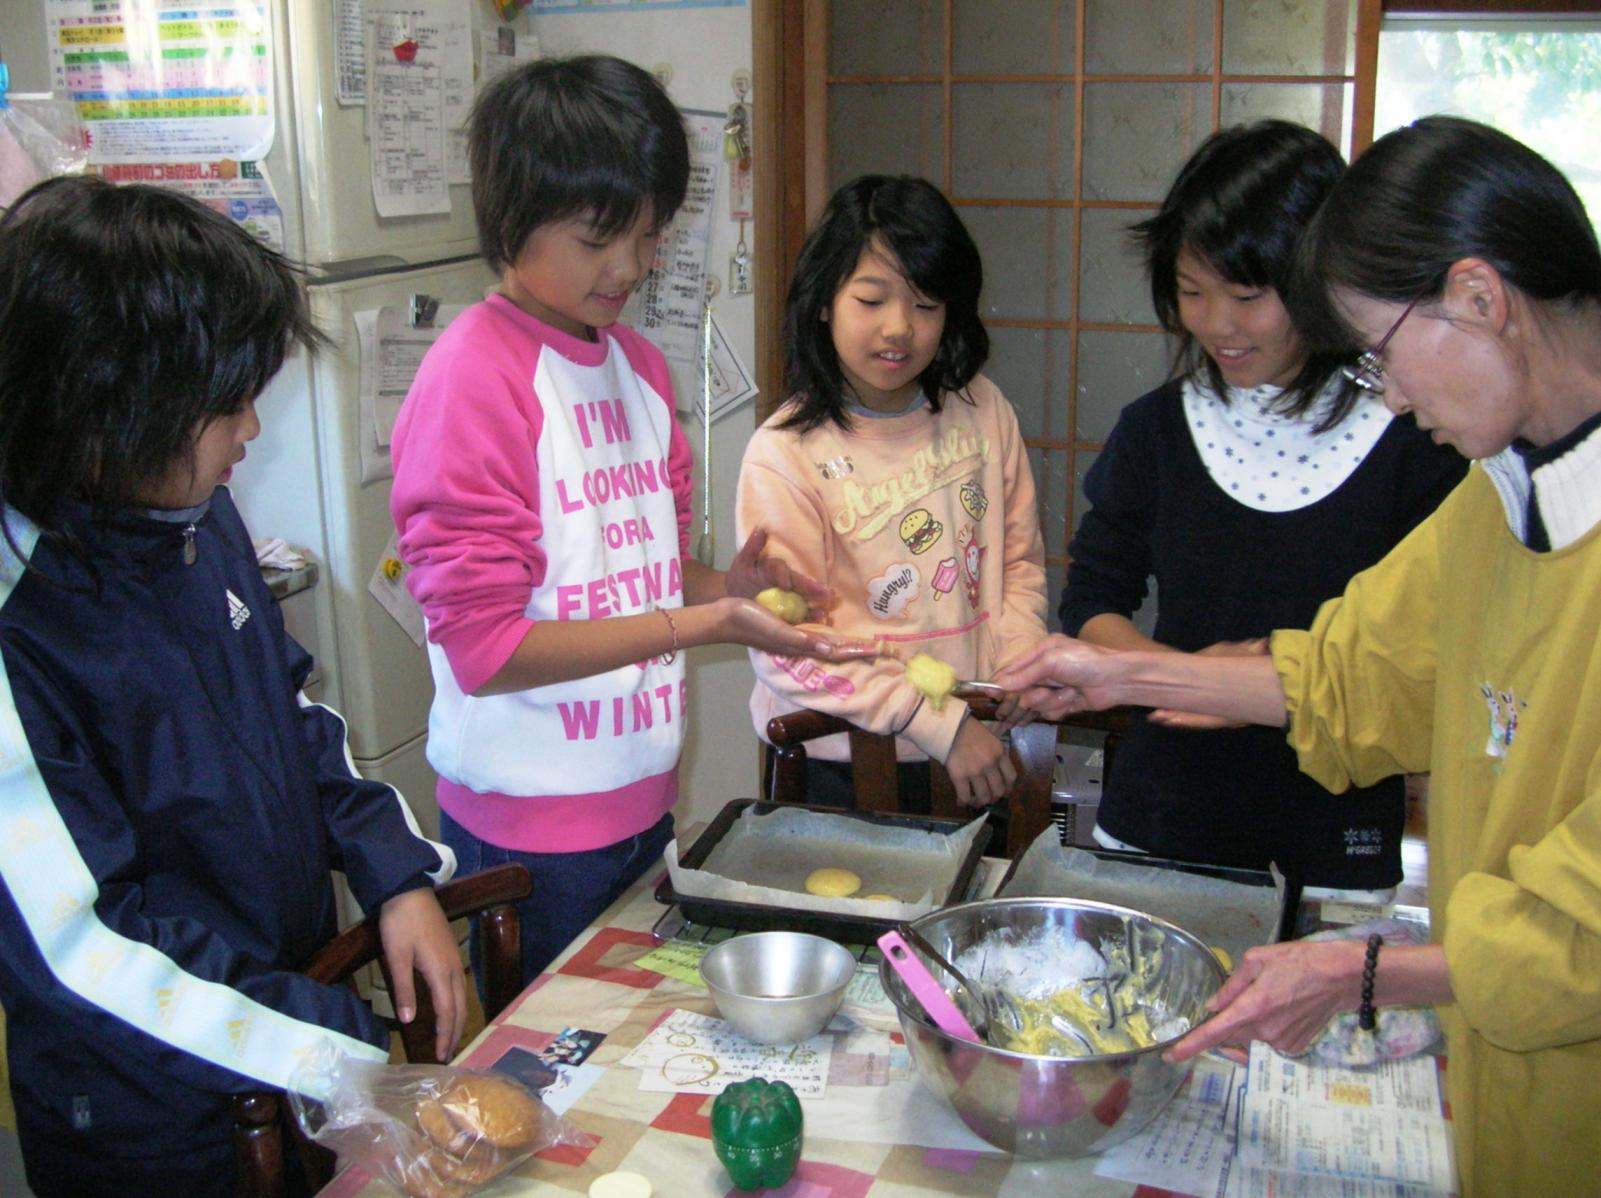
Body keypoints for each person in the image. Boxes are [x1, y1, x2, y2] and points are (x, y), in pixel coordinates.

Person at [997, 116, 1601, 1197]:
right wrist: (1122, 673)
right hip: (1503, 1071)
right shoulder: (1493, 498)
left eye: (1381, 353)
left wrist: (1367, 967)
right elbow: (1342, 677)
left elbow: (1582, 926)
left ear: (1476, 297)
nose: (1395, 397)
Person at [0, 176, 464, 1197]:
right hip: (147, 1117)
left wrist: (392, 871)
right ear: (106, 409)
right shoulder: (20, 626)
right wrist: (340, 1045)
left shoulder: (194, 516)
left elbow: (291, 711)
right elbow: (88, 954)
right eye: (225, 404)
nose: (251, 428)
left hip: (283, 1033)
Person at [389, 55, 871, 986]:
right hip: (524, 834)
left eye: (647, 235)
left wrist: (727, 588)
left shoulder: (640, 370)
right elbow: (486, 648)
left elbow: (643, 575)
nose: (630, 267)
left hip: (642, 803)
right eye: (598, 237)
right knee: (547, 1081)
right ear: (511, 218)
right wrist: (709, 620)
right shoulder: (472, 378)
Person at [1061, 120, 1465, 895]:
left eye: (1247, 295)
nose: (1216, 324)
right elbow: (1091, 599)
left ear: (1321, 283)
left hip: (1333, 832)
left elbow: (1424, 658)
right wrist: (1184, 681)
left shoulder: (1413, 438)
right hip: (1162, 813)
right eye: (1190, 292)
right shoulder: (1153, 430)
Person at [736, 174, 1047, 811]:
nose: (899, 329)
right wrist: (932, 719)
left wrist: (1016, 663)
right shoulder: (785, 454)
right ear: (825, 300)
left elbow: (1018, 562)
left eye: (926, 305)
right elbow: (784, 644)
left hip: (974, 742)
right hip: (840, 756)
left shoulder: (983, 412)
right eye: (872, 300)